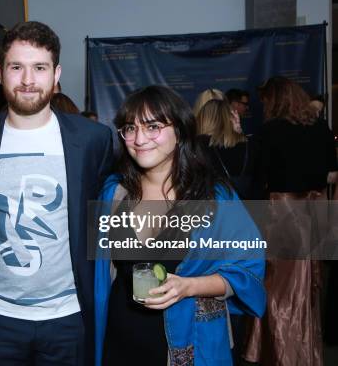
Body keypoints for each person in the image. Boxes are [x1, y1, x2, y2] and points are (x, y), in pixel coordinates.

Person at [0, 21, 114, 365]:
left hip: (68, 317)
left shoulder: (93, 140)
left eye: (40, 68)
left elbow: (110, 212)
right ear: (0, 72)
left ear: (56, 73)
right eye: (17, 67)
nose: (28, 80)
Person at [95, 86, 266, 365]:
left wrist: (189, 286)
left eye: (153, 126)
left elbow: (250, 269)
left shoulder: (213, 197)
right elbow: (99, 273)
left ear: (180, 131)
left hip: (189, 345)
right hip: (118, 343)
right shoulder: (114, 193)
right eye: (130, 128)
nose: (139, 139)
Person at [244, 76, 338, 366]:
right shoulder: (320, 127)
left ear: (274, 100)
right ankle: (304, 351)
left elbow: (257, 180)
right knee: (308, 287)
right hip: (315, 213)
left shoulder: (269, 132)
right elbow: (331, 173)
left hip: (283, 214)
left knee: (277, 286)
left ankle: (281, 353)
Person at [197, 99, 262, 200]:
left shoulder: (197, 146)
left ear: (204, 119)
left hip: (213, 210)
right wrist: (239, 133)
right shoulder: (251, 145)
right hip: (248, 209)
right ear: (230, 118)